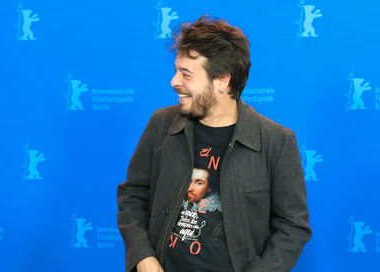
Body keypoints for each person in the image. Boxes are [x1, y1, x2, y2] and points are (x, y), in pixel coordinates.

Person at [117, 15, 312, 272]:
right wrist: (143, 257)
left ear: (221, 80)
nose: (174, 82)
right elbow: (133, 195)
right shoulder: (161, 124)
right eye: (176, 70)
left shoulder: (276, 141)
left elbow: (292, 227)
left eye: (186, 74)